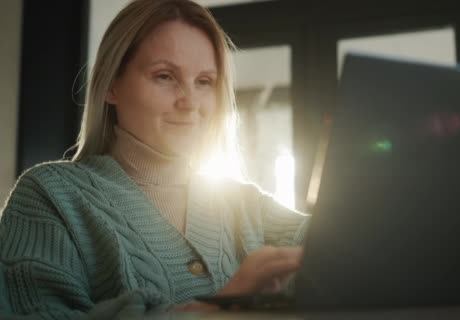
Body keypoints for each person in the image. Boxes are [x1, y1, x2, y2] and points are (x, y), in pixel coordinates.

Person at [0, 0, 308, 318]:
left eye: (204, 82)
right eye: (164, 76)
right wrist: (216, 307)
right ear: (111, 85)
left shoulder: (245, 204)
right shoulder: (51, 196)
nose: (189, 102)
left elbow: (342, 244)